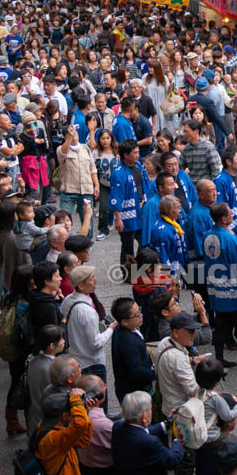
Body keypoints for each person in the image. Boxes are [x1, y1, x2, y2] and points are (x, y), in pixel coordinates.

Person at [203, 201, 237, 368]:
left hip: (215, 289)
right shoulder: (229, 238)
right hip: (233, 291)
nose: (232, 215)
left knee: (221, 324)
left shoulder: (207, 235)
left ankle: (219, 357)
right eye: (230, 214)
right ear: (224, 219)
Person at [60, 265, 117, 409]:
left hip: (77, 356)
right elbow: (96, 343)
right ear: (81, 285)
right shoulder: (87, 312)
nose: (95, 281)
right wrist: (110, 329)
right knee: (98, 400)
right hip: (92, 362)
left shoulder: (68, 300)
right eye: (91, 279)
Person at [110, 390, 185, 475]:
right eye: (150, 409)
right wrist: (178, 438)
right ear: (144, 416)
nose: (151, 411)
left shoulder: (117, 426)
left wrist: (166, 424)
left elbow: (139, 432)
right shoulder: (151, 443)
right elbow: (171, 460)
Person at [32, 390, 93, 475]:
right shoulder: (54, 439)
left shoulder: (45, 427)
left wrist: (84, 412)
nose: (73, 413)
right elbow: (81, 424)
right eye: (71, 410)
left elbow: (83, 441)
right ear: (64, 416)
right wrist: (75, 399)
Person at [110, 140, 148, 281]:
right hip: (127, 215)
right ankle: (128, 275)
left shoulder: (139, 166)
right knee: (127, 246)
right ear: (126, 155)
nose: (138, 155)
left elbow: (145, 185)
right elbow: (116, 197)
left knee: (145, 242)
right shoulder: (118, 173)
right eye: (135, 153)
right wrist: (118, 218)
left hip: (141, 211)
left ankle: (141, 270)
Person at [110, 296, 155, 403]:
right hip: (135, 394)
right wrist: (155, 374)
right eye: (137, 315)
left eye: (140, 310)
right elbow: (137, 371)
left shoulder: (120, 329)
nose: (141, 315)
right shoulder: (129, 342)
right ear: (125, 322)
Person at [74, 374, 114, 475]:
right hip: (105, 471)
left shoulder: (73, 415)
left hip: (83, 466)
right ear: (95, 396)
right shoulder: (104, 424)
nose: (106, 387)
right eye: (103, 386)